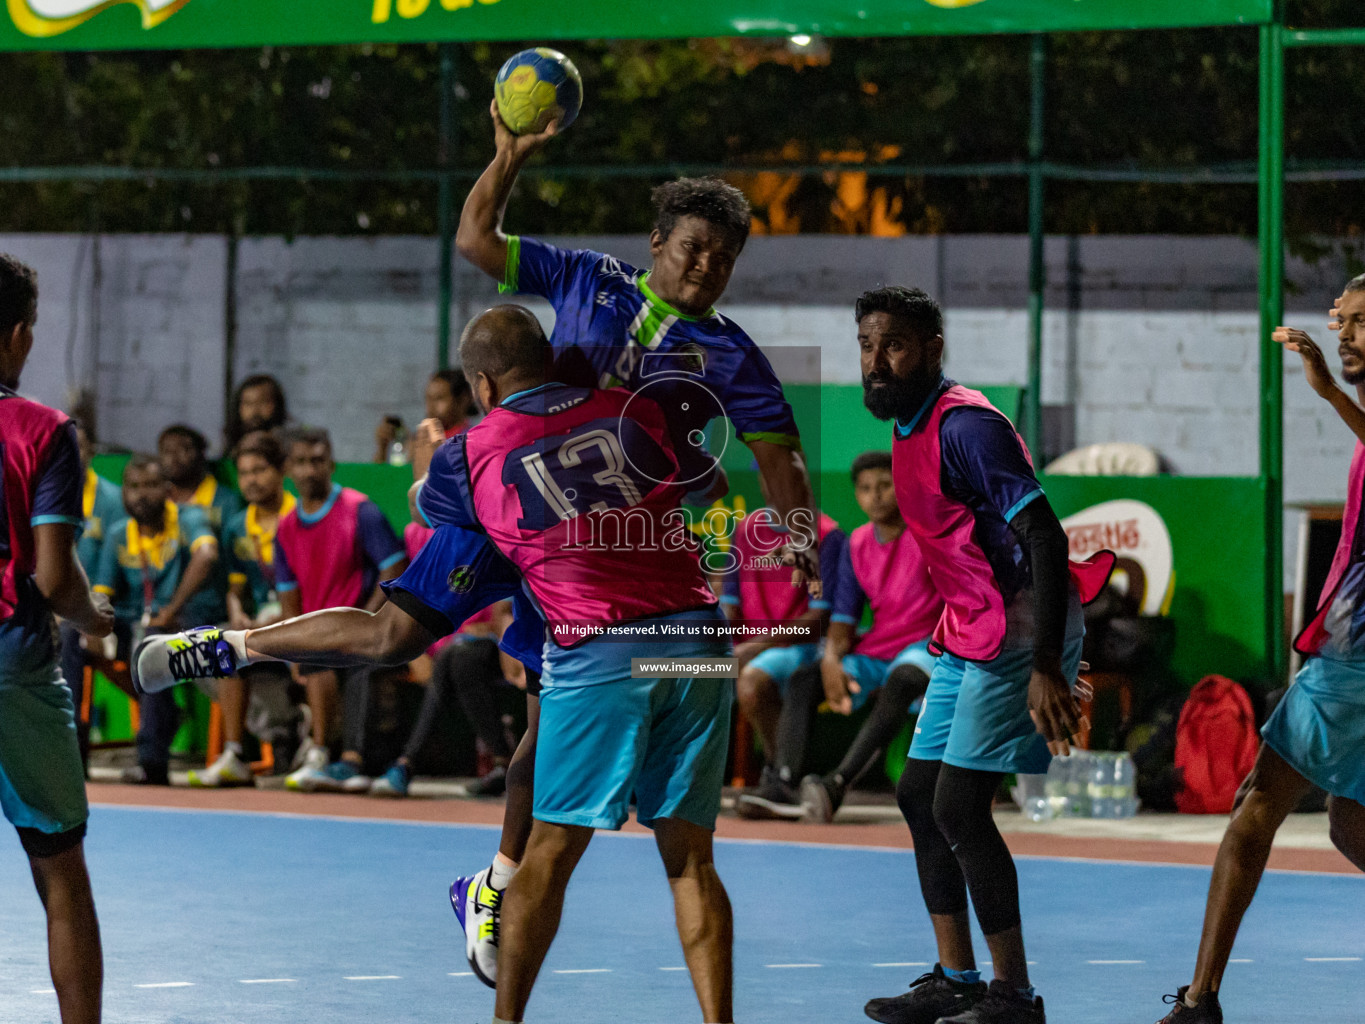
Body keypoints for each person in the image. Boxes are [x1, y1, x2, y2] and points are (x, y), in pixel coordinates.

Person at [448, 102, 822, 985]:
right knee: (540, 752)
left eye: (724, 258)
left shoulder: (733, 354)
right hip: (554, 555)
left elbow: (782, 455)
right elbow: (475, 240)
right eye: (693, 248)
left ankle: (498, 885)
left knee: (562, 760)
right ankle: (500, 885)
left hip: (647, 574)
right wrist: (506, 154)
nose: (706, 267)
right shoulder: (586, 279)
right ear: (657, 242)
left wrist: (794, 539)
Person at [419, 305, 735, 1023]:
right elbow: (706, 486)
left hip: (601, 646)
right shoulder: (633, 411)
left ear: (483, 385)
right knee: (690, 859)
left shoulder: (468, 448)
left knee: (551, 851)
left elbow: (442, 519)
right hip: (699, 638)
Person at [132, 522, 544, 985]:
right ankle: (225, 647)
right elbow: (429, 487)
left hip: (589, 562)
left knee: (548, 733)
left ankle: (494, 886)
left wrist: (644, 664)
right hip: (516, 522)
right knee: (391, 636)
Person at [855, 286, 1111, 1024]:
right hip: (968, 627)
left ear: (932, 347)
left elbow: (1046, 537)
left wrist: (1044, 668)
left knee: (959, 808)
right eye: (867, 346)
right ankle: (955, 977)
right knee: (916, 797)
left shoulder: (966, 427)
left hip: (1019, 629)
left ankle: (1013, 995)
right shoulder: (906, 425)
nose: (877, 361)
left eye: (893, 345)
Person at [1151, 284, 1365, 1023]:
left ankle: (1199, 998)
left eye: (1361, 323)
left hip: (1355, 651)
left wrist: (1330, 393)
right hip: (1348, 644)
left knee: (1255, 803)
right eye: (1344, 321)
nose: (1344, 333)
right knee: (1348, 824)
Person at [0, 252, 114, 1024]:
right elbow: (51, 578)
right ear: (20, 336)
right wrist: (95, 618)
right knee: (61, 869)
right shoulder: (43, 431)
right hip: (14, 663)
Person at [740, 451, 943, 822]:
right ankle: (784, 782)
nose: (876, 496)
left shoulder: (929, 537)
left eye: (885, 486)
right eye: (865, 489)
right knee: (807, 677)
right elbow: (843, 619)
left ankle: (837, 783)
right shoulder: (857, 543)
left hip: (926, 647)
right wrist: (831, 661)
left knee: (903, 680)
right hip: (877, 649)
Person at [274, 427, 408, 792]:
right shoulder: (285, 528)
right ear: (289, 469)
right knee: (309, 655)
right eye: (301, 462)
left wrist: (365, 620)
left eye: (317, 461)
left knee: (354, 659)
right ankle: (319, 752)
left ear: (331, 464)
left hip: (364, 628)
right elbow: (289, 597)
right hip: (317, 635)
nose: (309, 470)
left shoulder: (360, 510)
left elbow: (394, 568)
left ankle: (348, 760)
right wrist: (292, 649)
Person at [368, 522, 525, 799]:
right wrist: (419, 652)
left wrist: (498, 634)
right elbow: (416, 605)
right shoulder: (417, 534)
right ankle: (502, 763)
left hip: (500, 642)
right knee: (456, 657)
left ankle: (407, 764)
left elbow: (506, 605)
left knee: (460, 656)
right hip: (448, 646)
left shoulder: (494, 527)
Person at [92, 455, 220, 785]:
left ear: (167, 489)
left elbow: (206, 555)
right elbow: (103, 591)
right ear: (122, 494)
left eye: (150, 485)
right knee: (73, 639)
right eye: (132, 487)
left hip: (180, 623)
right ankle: (74, 757)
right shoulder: (120, 533)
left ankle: (151, 761)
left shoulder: (189, 518)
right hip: (132, 623)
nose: (141, 494)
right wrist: (91, 626)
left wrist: (174, 608)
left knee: (153, 637)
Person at [187, 430, 298, 787]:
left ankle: (285, 730)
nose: (251, 480)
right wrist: (237, 611)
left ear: (282, 471)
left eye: (260, 470)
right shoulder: (237, 527)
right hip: (260, 624)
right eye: (245, 472)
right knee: (209, 651)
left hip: (301, 620)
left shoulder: (299, 516)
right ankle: (240, 750)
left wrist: (283, 615)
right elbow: (236, 587)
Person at [723, 492, 842, 807]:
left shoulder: (826, 533)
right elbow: (730, 606)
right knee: (663, 669)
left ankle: (780, 778)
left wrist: (754, 647)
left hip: (798, 648)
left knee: (751, 682)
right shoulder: (745, 530)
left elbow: (818, 619)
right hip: (747, 648)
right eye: (768, 468)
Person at [57, 419, 124, 767]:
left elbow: (119, 569)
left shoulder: (112, 500)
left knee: (69, 636)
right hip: (56, 608)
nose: (70, 454)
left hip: (104, 611)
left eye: (78, 446)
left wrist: (90, 614)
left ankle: (70, 748)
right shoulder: (47, 493)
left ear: (91, 452)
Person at [374, 369, 476, 463]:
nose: (431, 407)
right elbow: (381, 478)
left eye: (439, 398)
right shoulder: (418, 441)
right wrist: (383, 448)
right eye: (428, 399)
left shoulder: (471, 441)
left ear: (463, 399)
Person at [224, 373, 289, 454]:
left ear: (277, 404)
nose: (254, 410)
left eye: (263, 402)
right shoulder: (229, 446)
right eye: (248, 403)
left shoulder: (290, 445)